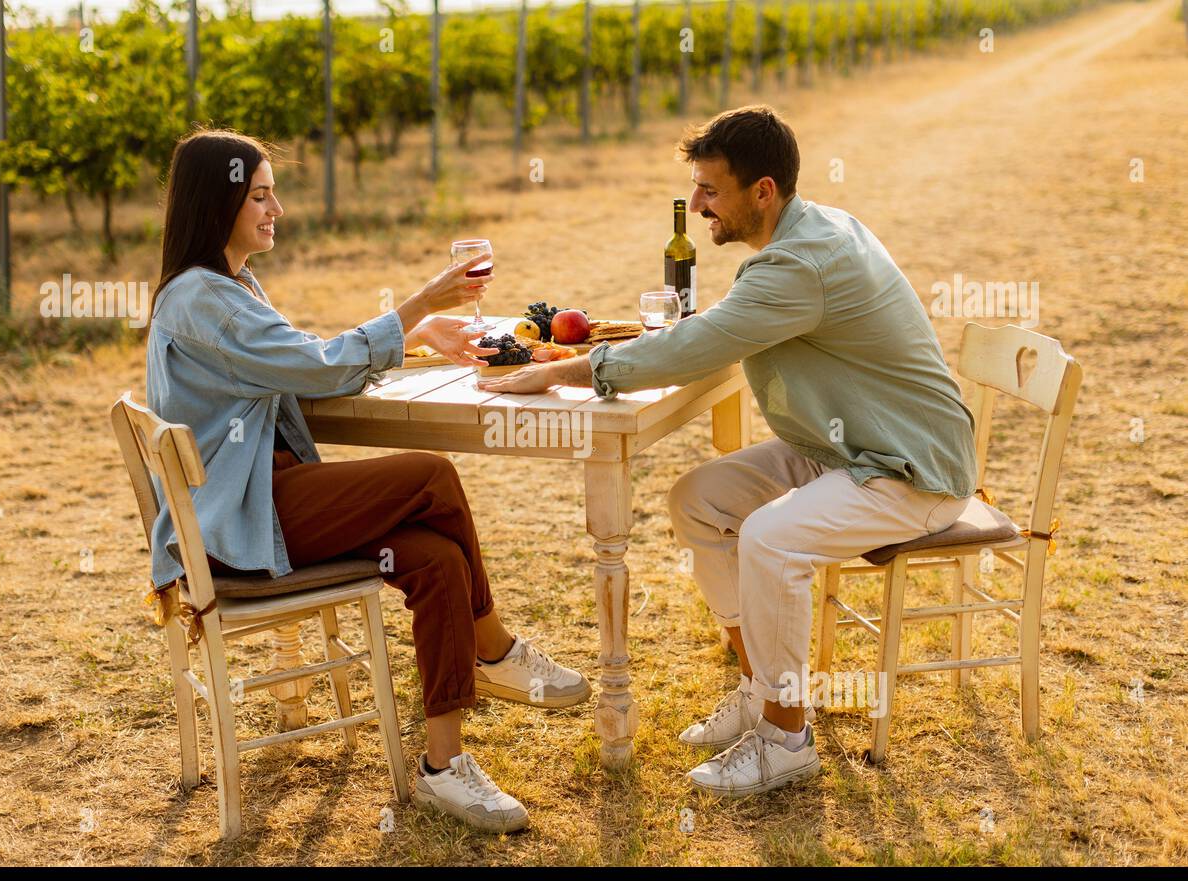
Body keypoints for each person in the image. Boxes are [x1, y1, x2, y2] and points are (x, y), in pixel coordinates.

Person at [481, 106, 978, 798]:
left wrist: (558, 371)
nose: (697, 204)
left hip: (906, 467)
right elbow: (713, 333)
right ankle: (758, 687)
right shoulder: (811, 229)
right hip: (840, 445)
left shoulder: (800, 264)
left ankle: (785, 736)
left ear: (763, 191)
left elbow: (695, 347)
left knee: (772, 539)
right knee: (698, 500)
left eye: (711, 190)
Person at [145, 129, 590, 833]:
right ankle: (496, 650)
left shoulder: (228, 287)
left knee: (438, 559)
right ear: (220, 199)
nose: (277, 208)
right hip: (239, 518)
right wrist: (417, 306)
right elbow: (316, 366)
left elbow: (298, 361)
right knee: (434, 477)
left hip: (264, 497)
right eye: (260, 194)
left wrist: (415, 337)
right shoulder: (200, 298)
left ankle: (443, 767)